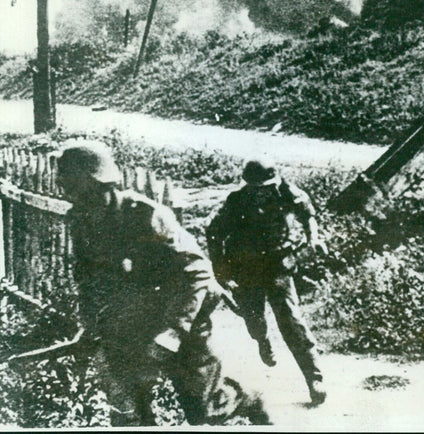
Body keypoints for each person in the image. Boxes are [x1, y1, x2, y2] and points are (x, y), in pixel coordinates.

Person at [56, 140, 270, 426]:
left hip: (182, 306)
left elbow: (197, 272)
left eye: (77, 188)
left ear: (99, 183)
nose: (73, 197)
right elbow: (86, 277)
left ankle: (246, 400)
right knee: (130, 402)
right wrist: (90, 324)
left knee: (201, 406)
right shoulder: (80, 221)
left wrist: (174, 332)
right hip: (131, 314)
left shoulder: (145, 215)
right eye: (68, 189)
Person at [206, 159, 328, 406]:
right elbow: (213, 232)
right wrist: (221, 272)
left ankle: (314, 378)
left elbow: (308, 214)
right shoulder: (237, 201)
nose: (263, 193)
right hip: (245, 266)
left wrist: (314, 238)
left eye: (267, 187)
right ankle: (262, 340)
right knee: (253, 318)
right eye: (257, 188)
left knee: (291, 321)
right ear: (249, 186)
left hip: (277, 264)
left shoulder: (286, 192)